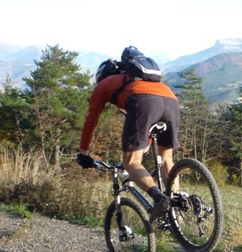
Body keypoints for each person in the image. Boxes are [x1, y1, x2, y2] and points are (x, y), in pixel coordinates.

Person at [77, 48, 180, 222]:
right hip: (171, 100)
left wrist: (84, 153)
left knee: (131, 162)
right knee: (167, 159)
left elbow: (90, 122)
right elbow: (145, 127)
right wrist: (144, 147)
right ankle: (178, 211)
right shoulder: (134, 79)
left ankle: (160, 199)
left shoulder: (104, 85)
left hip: (143, 100)